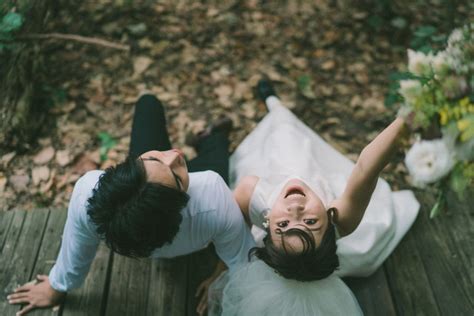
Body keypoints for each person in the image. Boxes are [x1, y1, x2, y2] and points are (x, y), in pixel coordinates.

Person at [7, 94, 255, 315]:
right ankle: (213, 137)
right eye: (177, 177)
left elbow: (241, 263)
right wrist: (56, 287)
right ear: (180, 206)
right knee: (217, 158)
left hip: (148, 189)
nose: (175, 153)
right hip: (191, 192)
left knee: (148, 103)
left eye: (155, 158)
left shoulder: (88, 192)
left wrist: (55, 288)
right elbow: (245, 264)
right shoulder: (212, 195)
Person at [207, 80, 420, 315]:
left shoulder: (251, 192)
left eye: (284, 225)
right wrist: (412, 113)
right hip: (310, 169)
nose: (295, 209)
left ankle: (273, 103)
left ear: (268, 228)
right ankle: (274, 104)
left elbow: (234, 230)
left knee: (282, 131)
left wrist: (223, 267)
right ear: (329, 225)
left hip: (276, 164)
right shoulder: (342, 219)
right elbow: (366, 169)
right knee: (290, 133)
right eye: (310, 223)